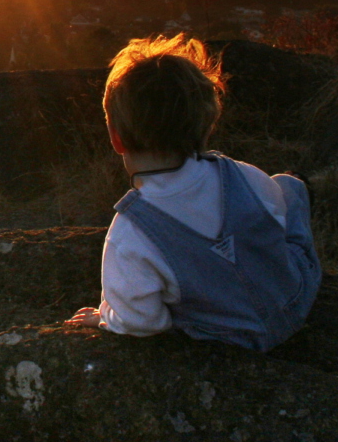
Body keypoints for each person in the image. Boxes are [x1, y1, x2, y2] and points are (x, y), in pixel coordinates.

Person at [65, 34, 321, 352]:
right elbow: (275, 227)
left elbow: (142, 322)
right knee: (287, 187)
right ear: (206, 124)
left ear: (117, 139)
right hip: (296, 301)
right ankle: (297, 183)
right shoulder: (244, 175)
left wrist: (106, 317)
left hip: (227, 338)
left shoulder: (130, 234)